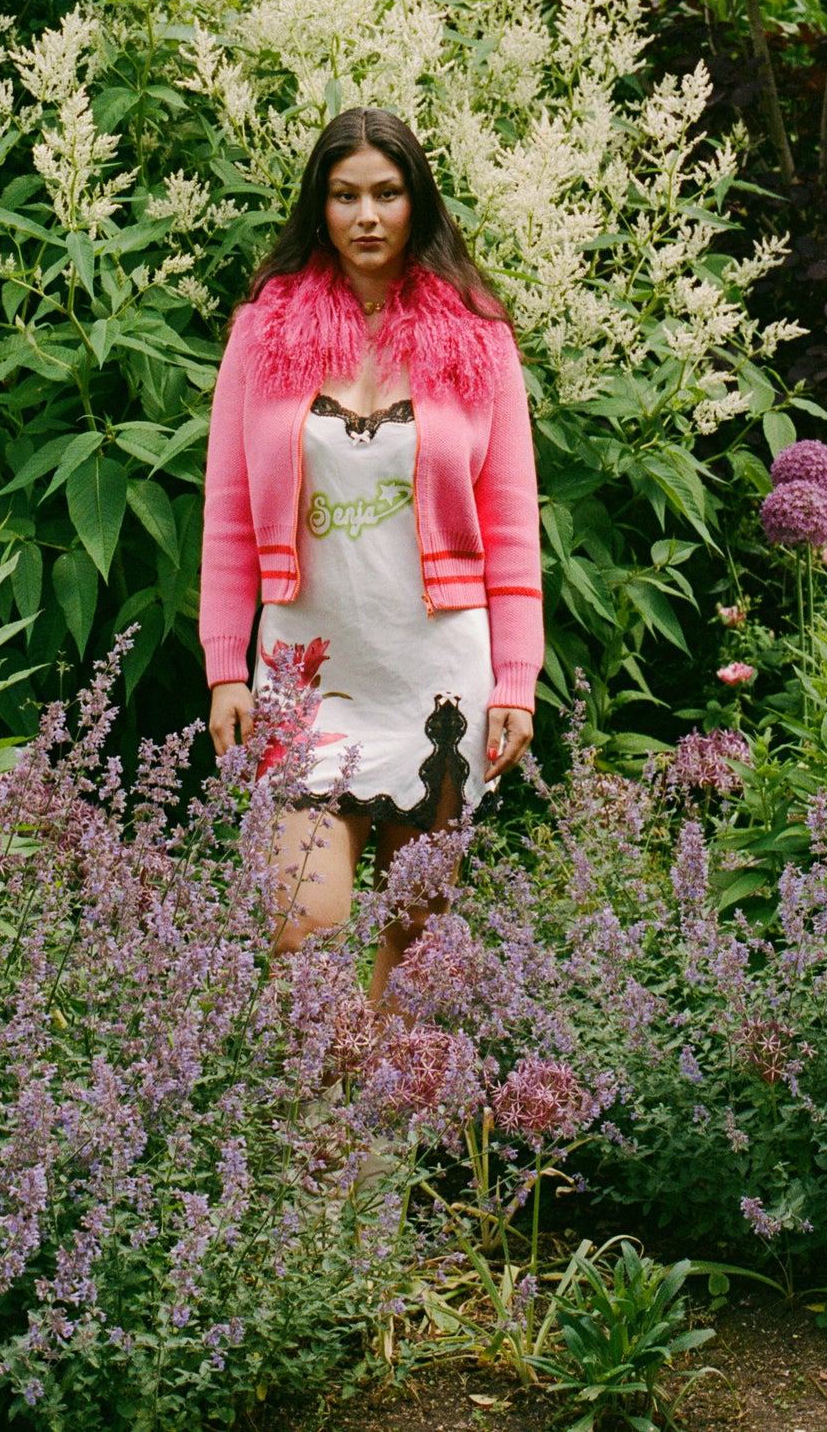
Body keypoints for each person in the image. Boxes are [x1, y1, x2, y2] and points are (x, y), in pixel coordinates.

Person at [201, 106, 542, 1000]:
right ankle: (315, 1125)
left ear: (415, 202)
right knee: (299, 926)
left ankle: (372, 1137)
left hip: (435, 675)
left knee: (417, 930)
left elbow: (509, 526)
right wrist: (223, 670)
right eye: (344, 194)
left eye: (385, 194)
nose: (365, 216)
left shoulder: (478, 335)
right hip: (304, 675)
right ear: (318, 207)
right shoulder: (262, 332)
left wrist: (516, 681)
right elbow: (229, 515)